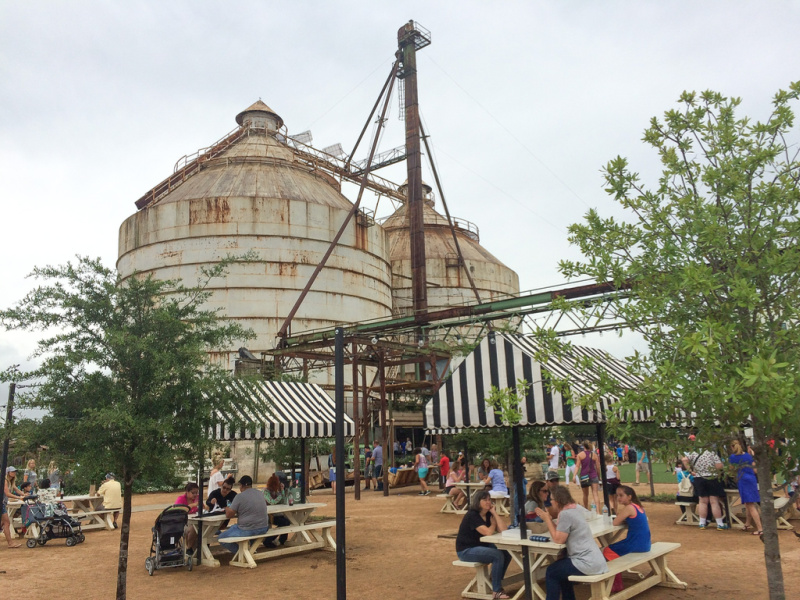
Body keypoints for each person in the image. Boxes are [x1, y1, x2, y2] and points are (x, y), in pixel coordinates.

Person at [535, 486, 608, 600]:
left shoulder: (566, 514)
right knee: (562, 572)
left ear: (558, 501)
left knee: (551, 572)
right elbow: (561, 532)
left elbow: (558, 539)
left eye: (552, 499)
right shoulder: (574, 510)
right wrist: (548, 519)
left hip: (586, 562)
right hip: (595, 560)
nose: (551, 502)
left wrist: (547, 519)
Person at [455, 490, 512, 599]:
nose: (488, 502)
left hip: (481, 547)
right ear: (477, 501)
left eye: (489, 499)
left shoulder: (488, 514)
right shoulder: (472, 515)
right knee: (497, 555)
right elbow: (488, 532)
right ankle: (496, 590)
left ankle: (494, 580)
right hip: (466, 550)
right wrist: (493, 524)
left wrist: (495, 513)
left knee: (507, 552)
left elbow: (504, 530)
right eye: (485, 500)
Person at [602, 485, 651, 593]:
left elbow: (615, 522)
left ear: (629, 497)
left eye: (621, 495)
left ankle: (616, 583)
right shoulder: (638, 506)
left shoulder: (629, 508)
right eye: (617, 495)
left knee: (607, 551)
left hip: (635, 543)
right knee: (612, 549)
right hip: (645, 543)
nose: (619, 498)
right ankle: (615, 579)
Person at [219, 475, 270, 553]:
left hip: (248, 529)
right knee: (236, 527)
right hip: (264, 528)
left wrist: (225, 507)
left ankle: (242, 552)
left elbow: (229, 515)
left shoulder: (239, 496)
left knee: (221, 538)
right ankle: (251, 550)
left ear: (242, 485)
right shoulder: (260, 493)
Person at [683, 442, 728, 530]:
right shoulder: (712, 453)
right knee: (714, 501)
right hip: (712, 477)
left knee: (702, 501)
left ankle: (702, 523)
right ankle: (719, 523)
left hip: (699, 478)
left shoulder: (694, 453)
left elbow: (684, 459)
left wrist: (690, 470)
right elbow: (719, 466)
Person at [729, 440, 763, 535]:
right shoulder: (748, 456)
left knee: (750, 505)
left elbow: (731, 470)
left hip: (742, 479)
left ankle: (760, 528)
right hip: (751, 479)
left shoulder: (732, 457)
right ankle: (747, 524)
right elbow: (755, 470)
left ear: (732, 447)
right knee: (749, 503)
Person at [263, 474, 291, 546]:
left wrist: (282, 491)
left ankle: (282, 541)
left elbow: (284, 502)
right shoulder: (265, 492)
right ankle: (268, 540)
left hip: (276, 514)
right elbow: (272, 502)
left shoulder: (276, 492)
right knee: (283, 523)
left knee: (287, 521)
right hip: (267, 515)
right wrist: (280, 496)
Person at [575, 441, 602, 515]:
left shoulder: (580, 455)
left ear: (584, 446)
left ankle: (586, 510)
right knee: (595, 494)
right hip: (593, 475)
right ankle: (598, 512)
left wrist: (574, 475)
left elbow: (577, 466)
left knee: (585, 494)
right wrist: (598, 476)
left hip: (584, 475)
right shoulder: (594, 455)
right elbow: (598, 467)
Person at [175, 482, 201, 549]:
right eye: (193, 493)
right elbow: (177, 510)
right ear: (187, 492)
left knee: (202, 527)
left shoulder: (197, 498)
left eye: (196, 493)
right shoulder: (181, 499)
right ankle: (189, 548)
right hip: (183, 523)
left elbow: (204, 508)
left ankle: (197, 549)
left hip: (195, 520)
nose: (195, 495)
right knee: (194, 528)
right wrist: (192, 505)